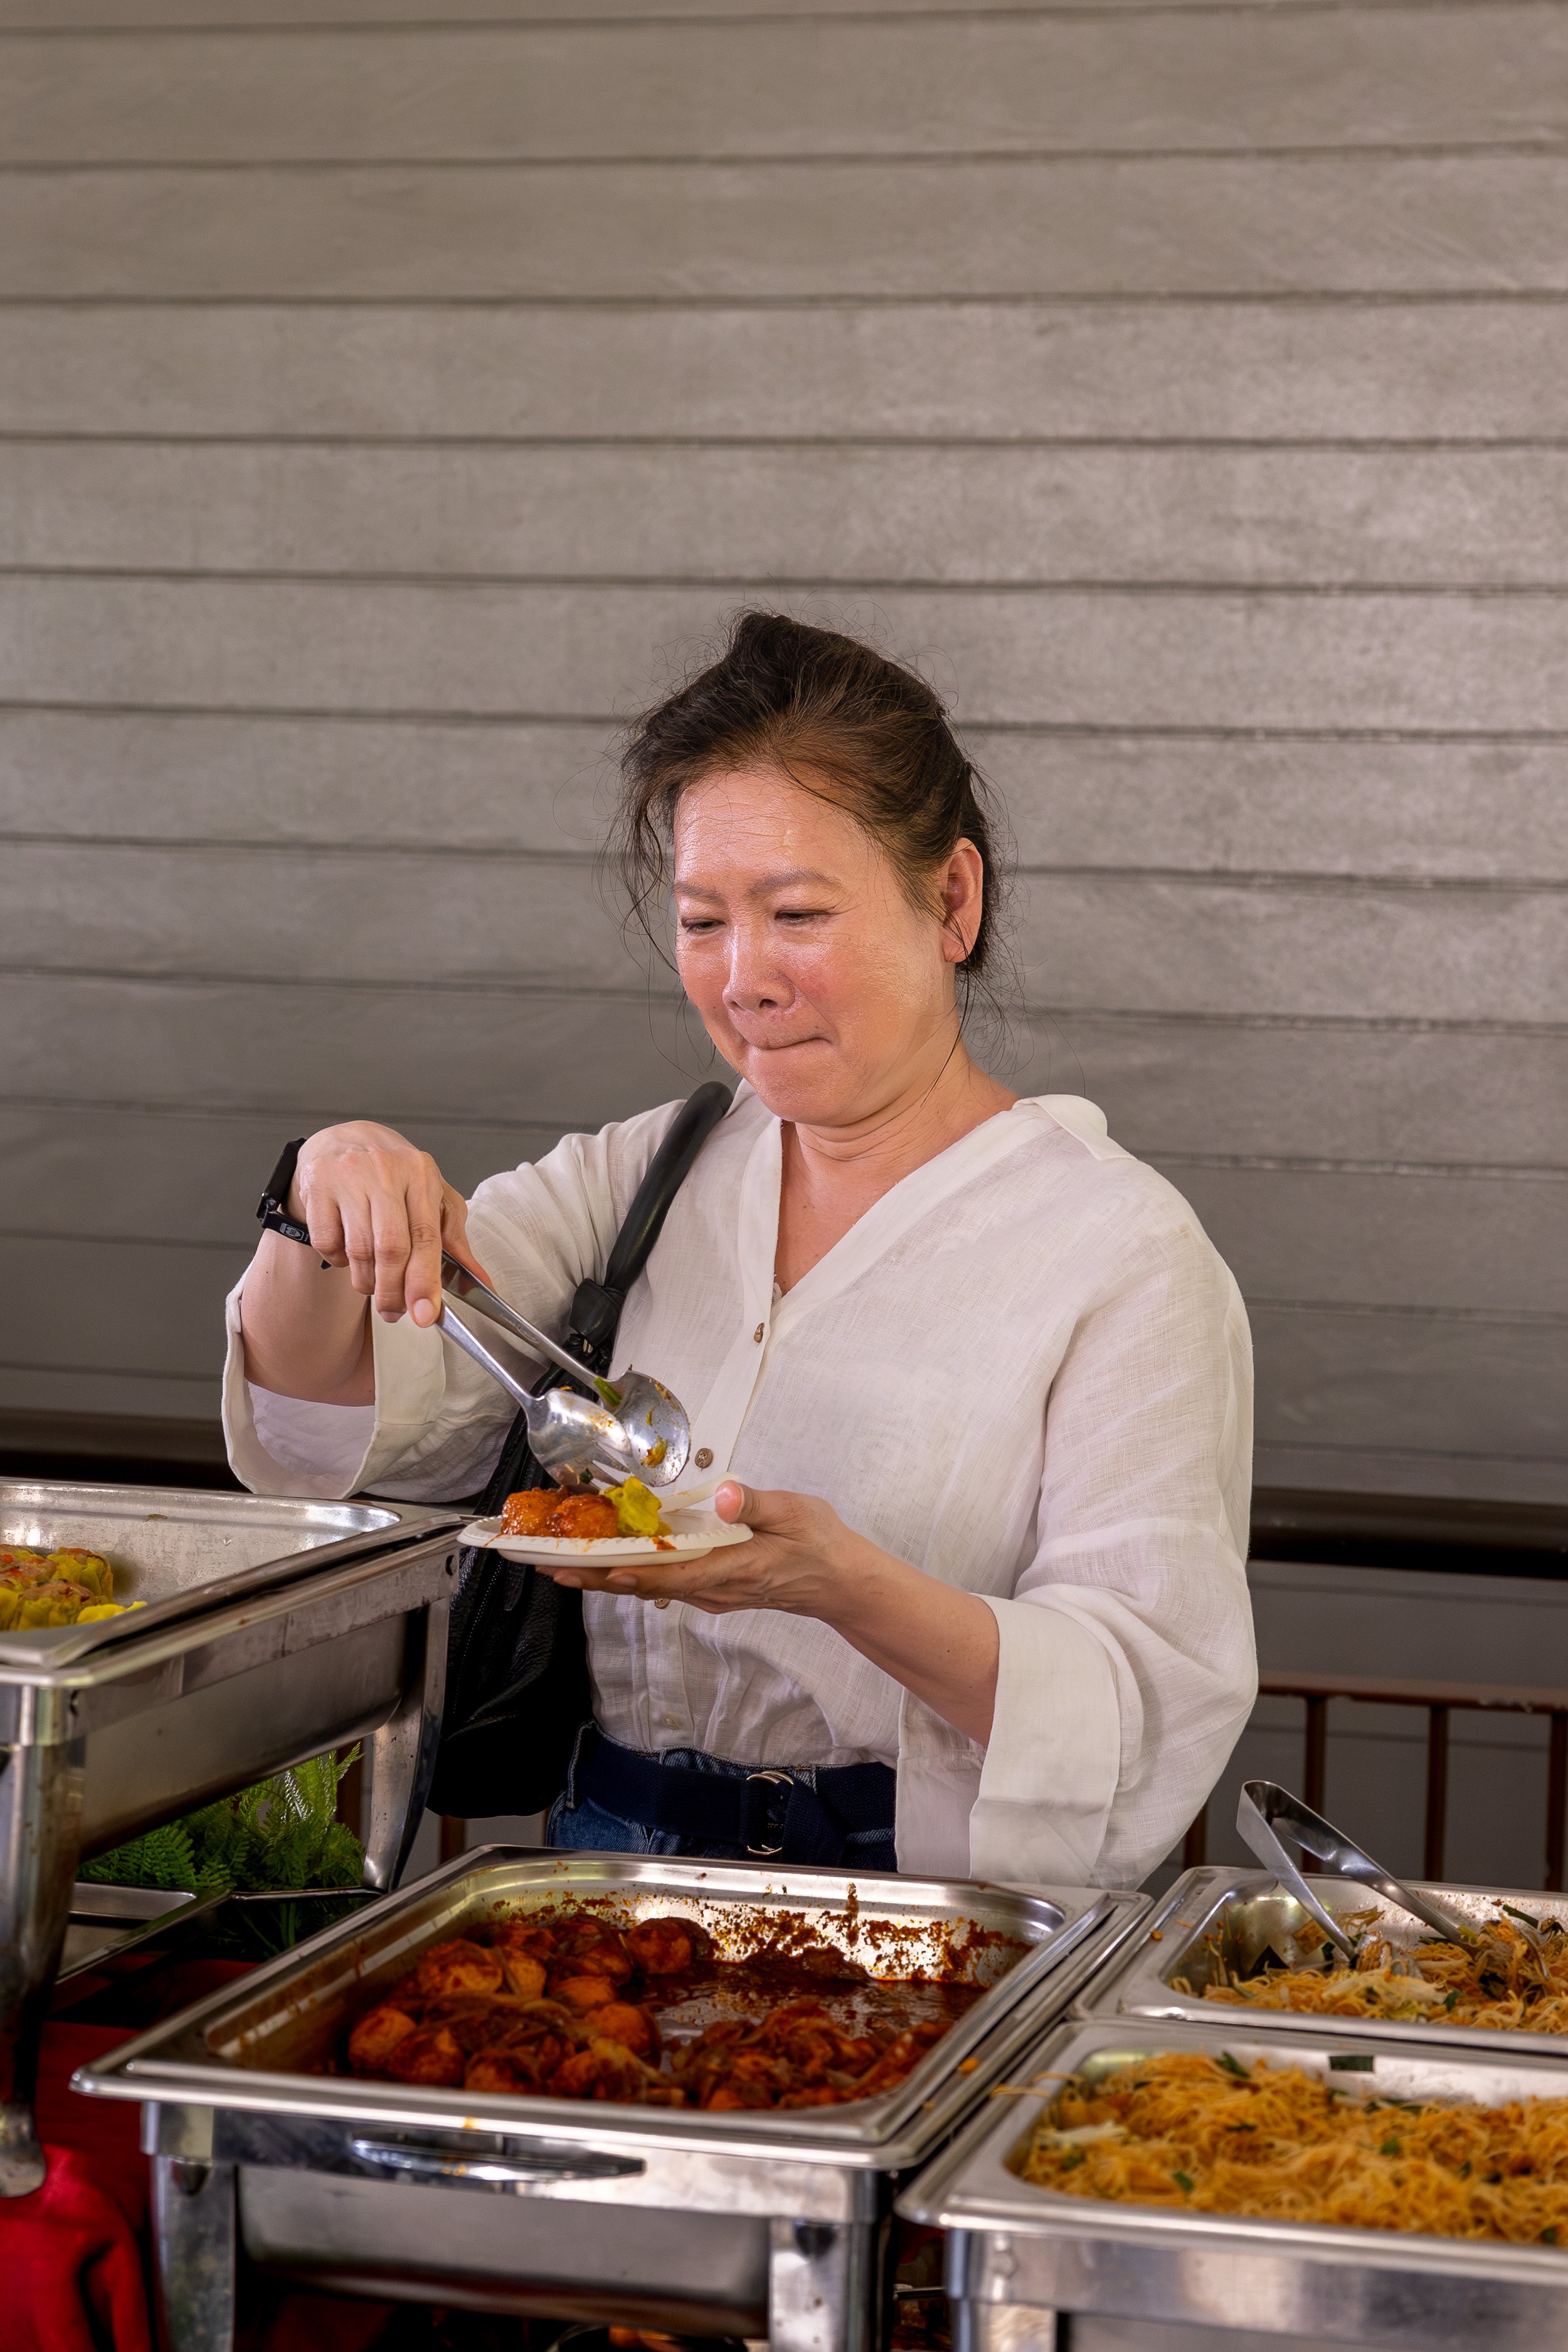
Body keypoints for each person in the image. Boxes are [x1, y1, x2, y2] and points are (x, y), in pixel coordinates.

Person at [228, 611, 1256, 1888]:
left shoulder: (1116, 1250)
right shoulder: (645, 1173)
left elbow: (1141, 1701)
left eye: (798, 913)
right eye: (704, 920)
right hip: (603, 1864)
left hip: (905, 1889)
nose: (743, 978)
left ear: (952, 900)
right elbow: (331, 1421)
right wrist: (321, 1191)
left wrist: (840, 1584)